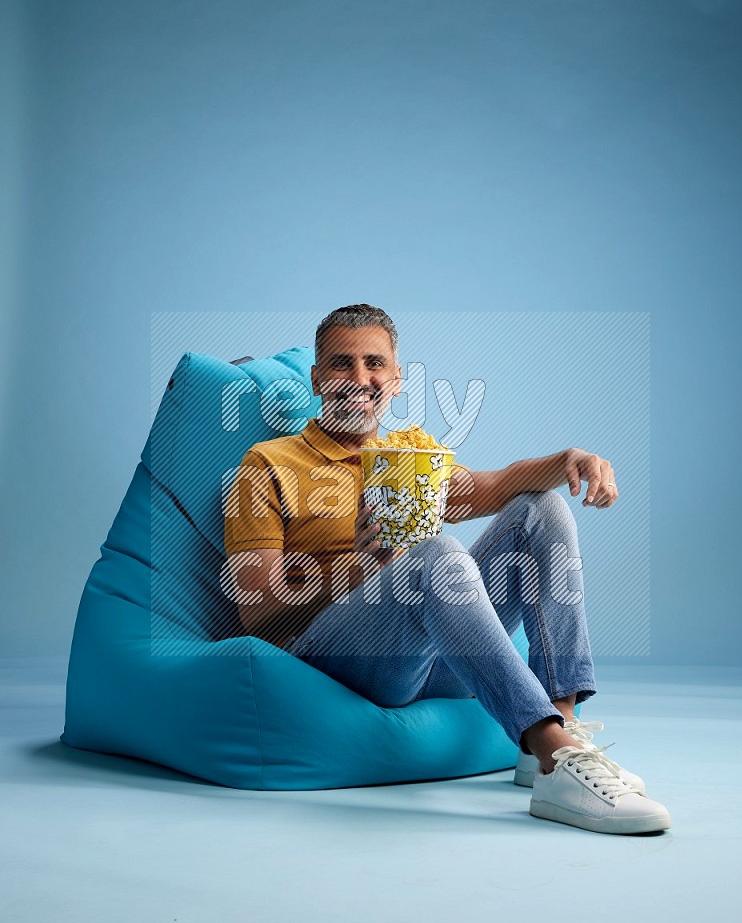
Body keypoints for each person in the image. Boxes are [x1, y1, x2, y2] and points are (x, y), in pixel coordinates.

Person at [223, 304, 670, 835]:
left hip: (429, 659)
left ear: (396, 378)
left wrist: (569, 459)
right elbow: (255, 614)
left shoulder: (406, 458)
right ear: (318, 379)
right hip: (335, 665)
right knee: (436, 555)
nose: (359, 379)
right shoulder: (268, 463)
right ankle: (553, 752)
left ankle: (560, 730)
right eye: (342, 364)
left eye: (374, 364)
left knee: (540, 509)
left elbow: (497, 484)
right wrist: (361, 566)